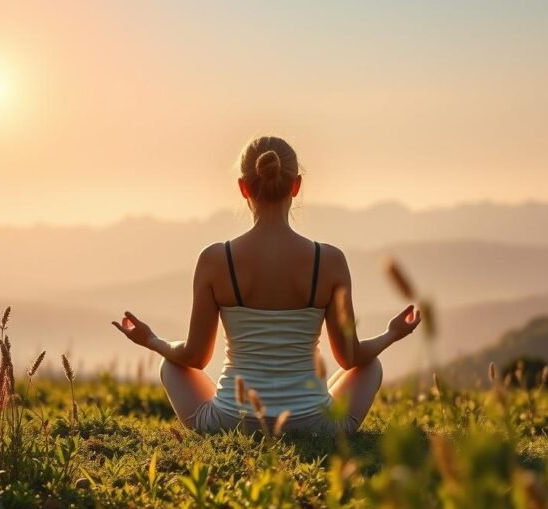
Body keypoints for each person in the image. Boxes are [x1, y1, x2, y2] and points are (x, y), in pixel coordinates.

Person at [112, 136, 421, 433]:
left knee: (171, 366)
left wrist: (151, 340)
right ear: (296, 186)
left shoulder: (215, 259)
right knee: (370, 366)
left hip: (231, 421)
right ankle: (308, 405)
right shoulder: (329, 261)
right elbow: (350, 357)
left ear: (243, 188)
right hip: (315, 425)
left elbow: (195, 357)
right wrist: (393, 333)